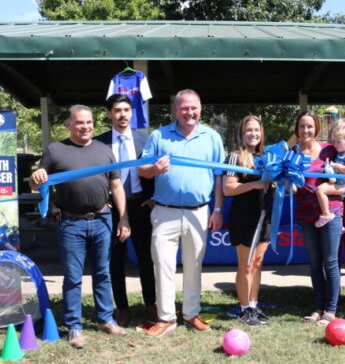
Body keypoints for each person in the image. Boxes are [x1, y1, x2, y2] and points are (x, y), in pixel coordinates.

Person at [30, 105, 130, 349]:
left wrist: (124, 218)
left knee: (103, 273)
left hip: (103, 219)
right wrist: (36, 177)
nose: (85, 127)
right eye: (79, 123)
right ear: (69, 125)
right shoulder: (55, 150)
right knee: (73, 277)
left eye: (89, 122)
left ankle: (105, 319)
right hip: (71, 223)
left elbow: (116, 187)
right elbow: (38, 182)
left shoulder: (105, 151)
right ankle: (75, 326)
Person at [139, 89, 225, 336]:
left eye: (193, 108)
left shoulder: (212, 137)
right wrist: (154, 169)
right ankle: (166, 318)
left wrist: (217, 209)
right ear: (175, 110)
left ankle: (191, 314)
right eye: (184, 108)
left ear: (200, 109)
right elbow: (141, 169)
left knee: (194, 265)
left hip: (199, 211)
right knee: (163, 266)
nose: (189, 112)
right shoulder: (159, 135)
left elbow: (219, 176)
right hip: (165, 212)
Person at [95, 94, 156, 326]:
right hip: (111, 208)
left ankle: (151, 303)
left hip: (141, 205)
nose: (122, 115)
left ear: (132, 113)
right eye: (117, 110)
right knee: (115, 261)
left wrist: (153, 198)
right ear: (109, 114)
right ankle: (122, 307)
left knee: (145, 258)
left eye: (126, 110)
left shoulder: (146, 140)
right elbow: (95, 176)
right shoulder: (99, 143)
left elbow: (158, 170)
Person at [223, 115, 272, 326]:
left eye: (257, 130)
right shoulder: (235, 157)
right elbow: (228, 188)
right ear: (242, 134)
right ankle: (243, 309)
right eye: (249, 130)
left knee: (258, 264)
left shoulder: (268, 156)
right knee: (246, 264)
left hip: (265, 216)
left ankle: (253, 305)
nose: (253, 134)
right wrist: (255, 184)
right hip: (244, 217)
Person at [295, 112, 344, 326]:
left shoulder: (329, 150)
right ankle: (318, 307)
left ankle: (331, 311)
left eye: (309, 126)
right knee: (315, 263)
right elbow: (293, 186)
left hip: (331, 212)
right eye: (302, 126)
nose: (306, 130)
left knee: (330, 262)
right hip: (306, 215)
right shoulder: (293, 154)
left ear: (316, 128)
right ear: (296, 129)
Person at [314, 119, 345, 228]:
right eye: (334, 142)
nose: (335, 145)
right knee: (333, 200)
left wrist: (335, 166)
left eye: (339, 142)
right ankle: (340, 223)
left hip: (344, 185)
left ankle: (326, 214)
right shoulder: (341, 153)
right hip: (340, 183)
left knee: (320, 190)